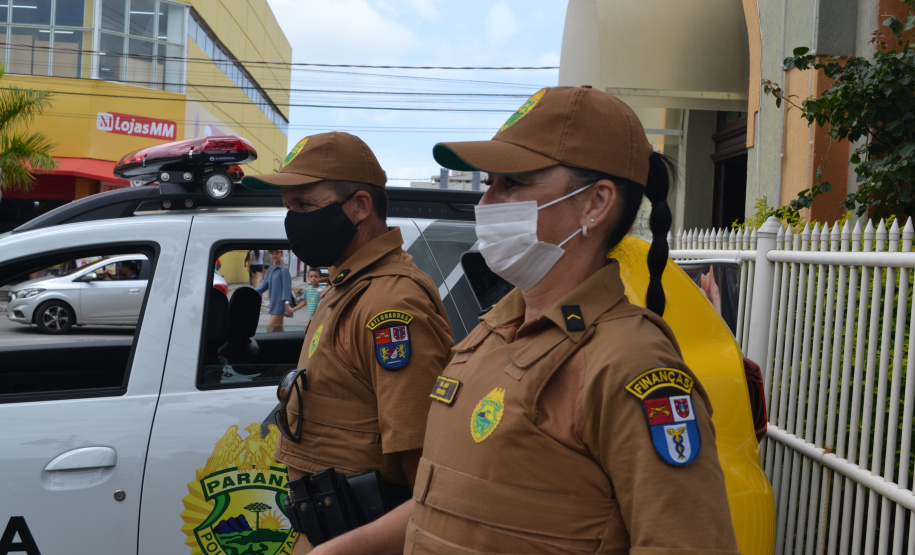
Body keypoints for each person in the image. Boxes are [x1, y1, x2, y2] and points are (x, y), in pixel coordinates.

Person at [406, 86, 739, 553]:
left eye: (512, 183)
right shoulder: (489, 333)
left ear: (595, 203)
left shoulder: (631, 363)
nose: (485, 204)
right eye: (488, 184)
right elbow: (444, 496)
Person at [241, 131, 454, 554]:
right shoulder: (347, 286)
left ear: (359, 206)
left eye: (304, 206)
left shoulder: (392, 303)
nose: (293, 221)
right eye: (289, 208)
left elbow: (428, 478)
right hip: (328, 533)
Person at [254, 249, 295, 333]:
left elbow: (286, 288)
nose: (274, 256)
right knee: (278, 331)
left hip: (281, 306)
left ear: (281, 254)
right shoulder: (270, 270)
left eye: (277, 253)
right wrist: (250, 293)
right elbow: (263, 286)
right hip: (273, 305)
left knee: (269, 329)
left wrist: (287, 305)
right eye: (272, 254)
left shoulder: (283, 270)